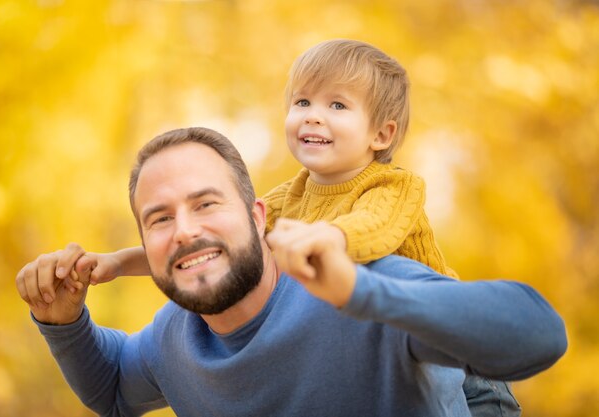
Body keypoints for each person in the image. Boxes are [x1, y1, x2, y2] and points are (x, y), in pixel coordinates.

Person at [64, 40, 518, 414]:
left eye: (337, 105)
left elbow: (370, 232)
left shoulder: (394, 187)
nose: (313, 115)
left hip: (458, 365)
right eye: (302, 101)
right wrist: (119, 263)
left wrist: (322, 240)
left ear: (381, 135)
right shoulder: (292, 196)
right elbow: (219, 242)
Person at [16, 127, 567, 417]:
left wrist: (366, 294)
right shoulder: (170, 343)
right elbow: (112, 389)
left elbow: (541, 336)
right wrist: (63, 322)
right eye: (159, 219)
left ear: (260, 219)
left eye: (207, 204)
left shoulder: (359, 286)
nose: (183, 230)